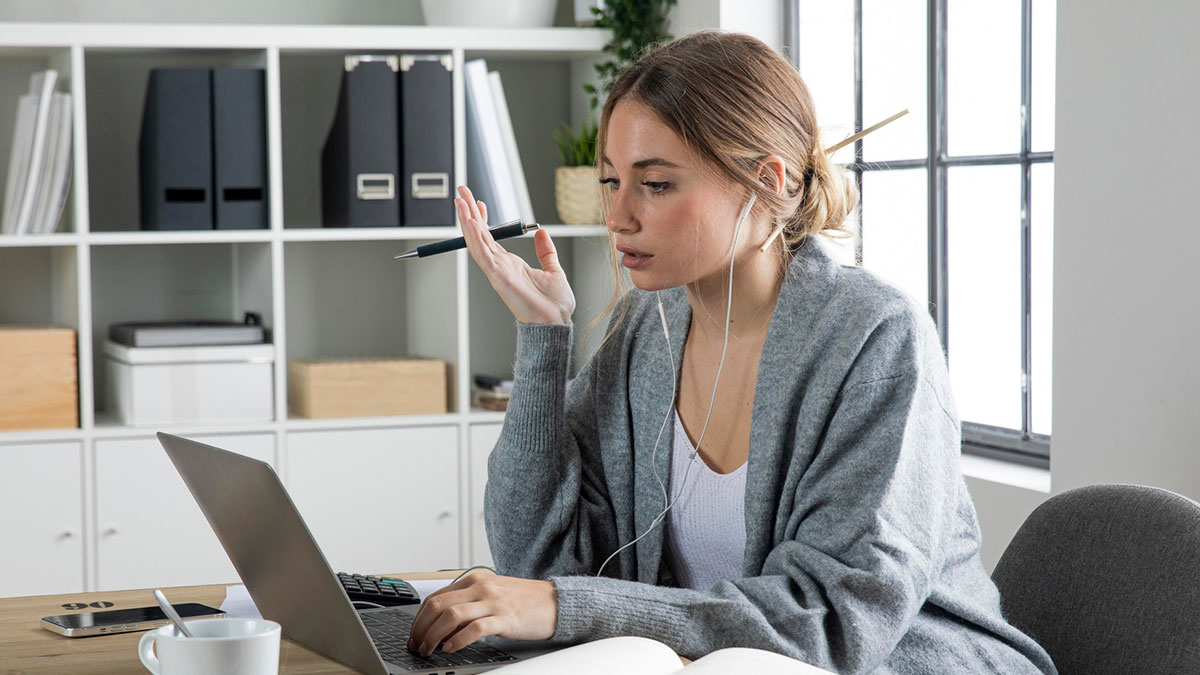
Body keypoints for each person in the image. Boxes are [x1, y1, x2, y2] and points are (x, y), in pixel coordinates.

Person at [407, 30, 1056, 674]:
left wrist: (563, 604)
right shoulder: (644, 329)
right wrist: (543, 337)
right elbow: (537, 564)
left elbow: (831, 624)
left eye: (655, 184)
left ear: (768, 183)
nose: (619, 215)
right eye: (612, 182)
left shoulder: (876, 338)